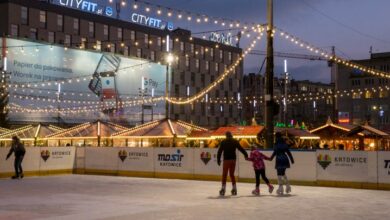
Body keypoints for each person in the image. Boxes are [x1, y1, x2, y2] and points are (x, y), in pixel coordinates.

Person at [217, 131, 248, 196]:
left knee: (224, 174)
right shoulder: (235, 141)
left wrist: (218, 160)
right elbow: (241, 148)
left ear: (226, 136)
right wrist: (246, 154)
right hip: (233, 160)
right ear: (231, 135)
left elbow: (219, 151)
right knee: (232, 174)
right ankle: (234, 188)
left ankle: (223, 189)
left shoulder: (223, 142)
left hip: (226, 160)